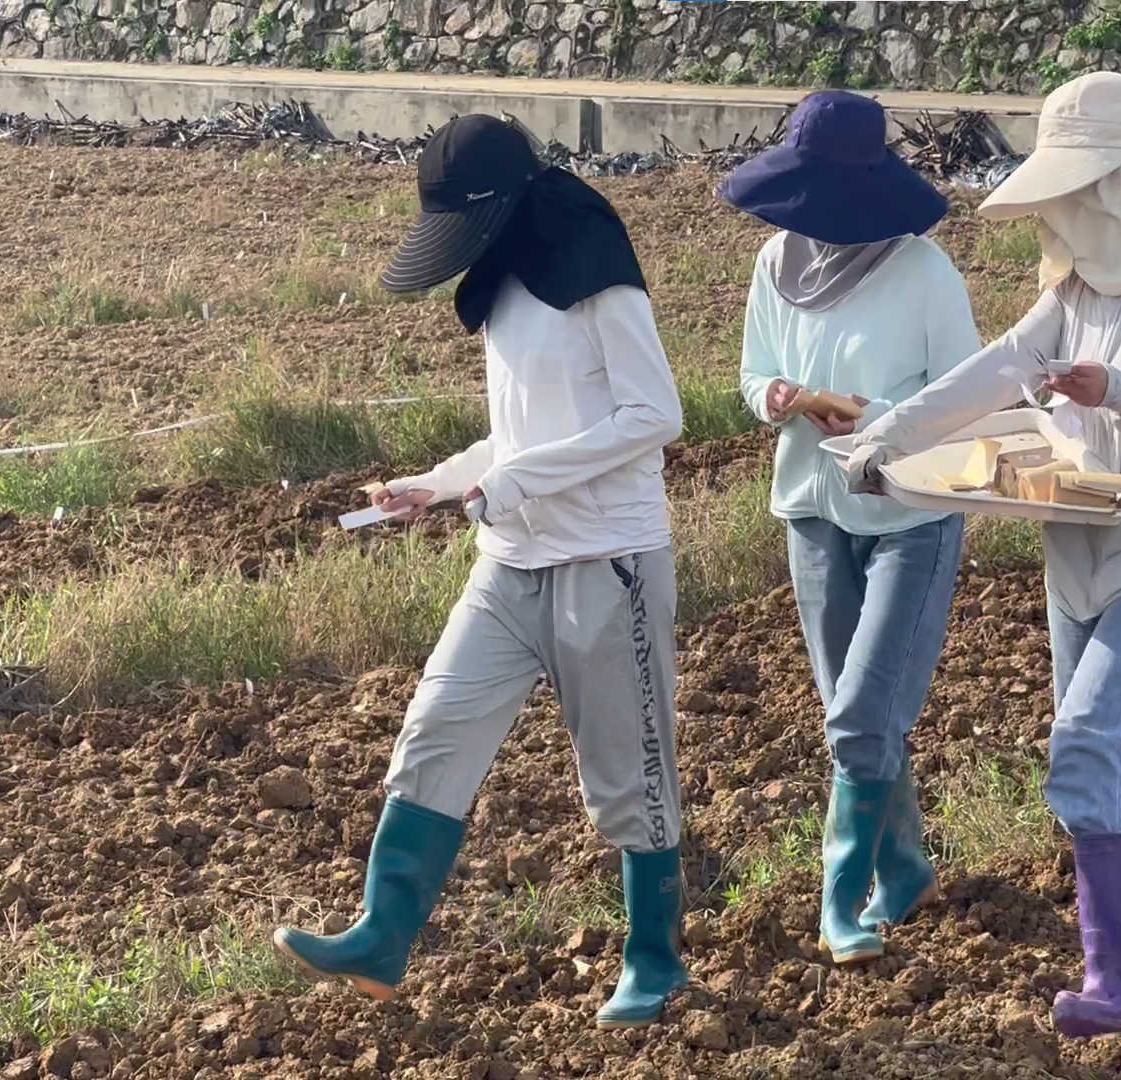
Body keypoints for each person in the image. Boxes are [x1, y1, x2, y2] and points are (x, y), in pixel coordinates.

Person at [270, 115, 690, 1030]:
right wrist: (440, 482)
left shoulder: (595, 271)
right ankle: (382, 936)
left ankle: (654, 958)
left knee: (628, 773)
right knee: (435, 732)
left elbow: (653, 415)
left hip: (604, 560)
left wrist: (509, 484)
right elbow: (520, 434)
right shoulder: (504, 282)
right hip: (508, 562)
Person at [845, 71, 1121, 1040]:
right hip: (1080, 556)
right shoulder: (1067, 294)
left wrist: (1120, 396)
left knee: (1090, 743)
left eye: (1078, 188)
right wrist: (887, 436)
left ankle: (1115, 978)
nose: (1064, 209)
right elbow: (993, 374)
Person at [720, 91, 983, 965]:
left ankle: (844, 900)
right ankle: (905, 867)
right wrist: (781, 399)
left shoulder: (924, 273)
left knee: (864, 713)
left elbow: (963, 399)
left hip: (911, 511)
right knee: (852, 716)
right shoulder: (775, 262)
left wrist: (880, 417)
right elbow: (754, 372)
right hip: (813, 508)